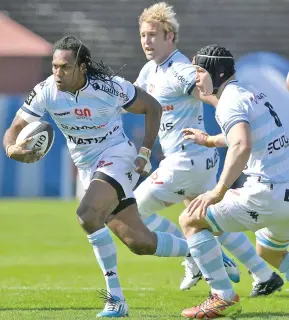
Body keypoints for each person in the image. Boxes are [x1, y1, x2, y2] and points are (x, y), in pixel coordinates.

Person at [3, 35, 192, 318]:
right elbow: (14, 128)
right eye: (54, 66)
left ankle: (115, 299)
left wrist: (145, 151)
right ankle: (200, 252)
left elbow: (152, 106)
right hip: (88, 168)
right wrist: (11, 149)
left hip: (118, 156)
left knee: (87, 214)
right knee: (139, 242)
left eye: (64, 67)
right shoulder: (45, 92)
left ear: (82, 67)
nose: (57, 73)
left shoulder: (109, 88)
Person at [133, 2, 278, 295]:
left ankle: (197, 255)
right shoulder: (150, 70)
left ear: (170, 36)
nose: (147, 41)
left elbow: (209, 95)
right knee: (207, 217)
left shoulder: (181, 70)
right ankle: (264, 275)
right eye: (143, 35)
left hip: (186, 160)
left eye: (153, 35)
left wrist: (233, 116)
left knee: (133, 211)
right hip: (198, 159)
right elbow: (134, 101)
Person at [179, 44, 287, 318]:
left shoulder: (229, 101)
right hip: (285, 192)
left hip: (267, 193)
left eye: (200, 71)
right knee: (269, 250)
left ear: (217, 73)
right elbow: (246, 135)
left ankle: (223, 297)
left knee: (191, 220)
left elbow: (242, 144)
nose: (196, 77)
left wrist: (218, 190)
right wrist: (209, 140)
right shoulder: (252, 92)